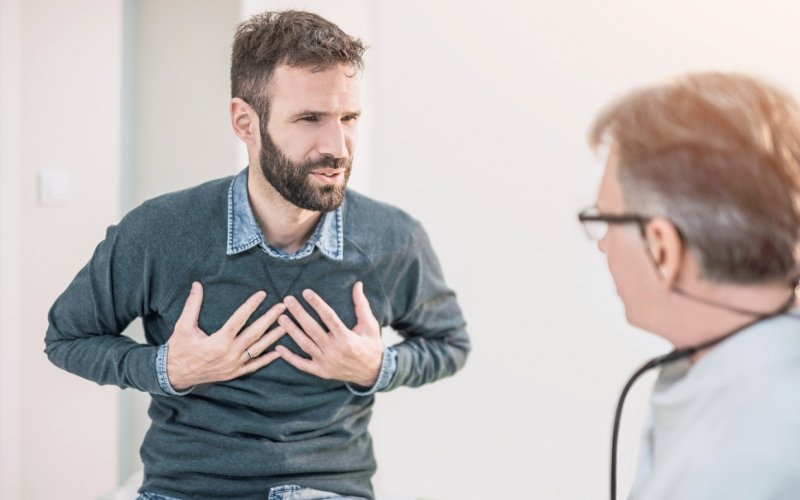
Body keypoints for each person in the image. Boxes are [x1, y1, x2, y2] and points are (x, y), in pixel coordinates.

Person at [44, 10, 469, 500]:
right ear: (245, 122)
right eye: (309, 119)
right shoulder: (158, 232)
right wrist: (167, 368)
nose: (338, 146)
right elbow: (66, 338)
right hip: (189, 489)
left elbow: (449, 343)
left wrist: (377, 367)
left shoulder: (392, 238)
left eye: (348, 118)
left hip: (326, 489)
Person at [579, 72, 800, 500]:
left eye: (606, 220)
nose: (603, 244)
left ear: (662, 247)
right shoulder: (720, 379)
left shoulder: (751, 455)